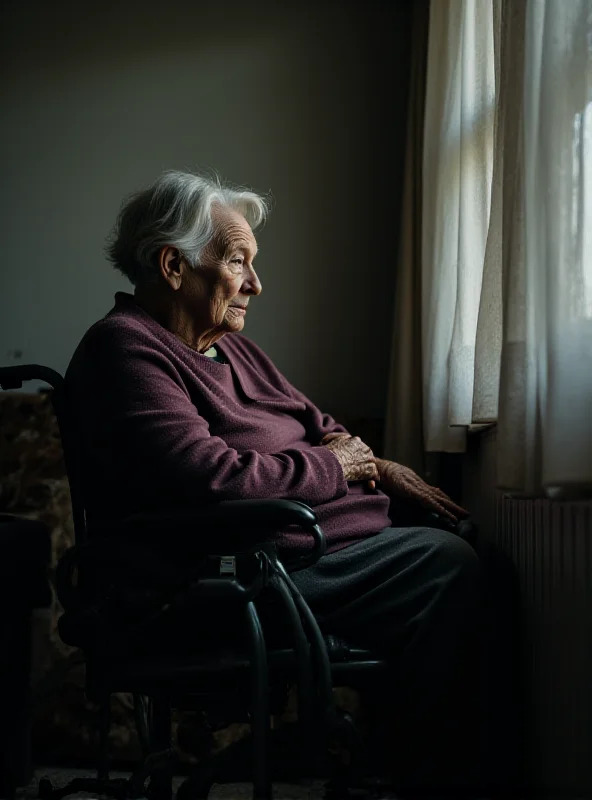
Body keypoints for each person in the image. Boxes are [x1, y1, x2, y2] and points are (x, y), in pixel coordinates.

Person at [66, 171, 518, 798]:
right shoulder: (125, 352)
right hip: (226, 578)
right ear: (173, 265)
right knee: (452, 566)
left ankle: (410, 770)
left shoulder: (234, 349)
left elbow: (326, 430)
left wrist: (382, 469)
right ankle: (446, 784)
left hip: (304, 556)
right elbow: (216, 479)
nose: (256, 283)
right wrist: (342, 469)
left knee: (455, 539)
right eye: (237, 262)